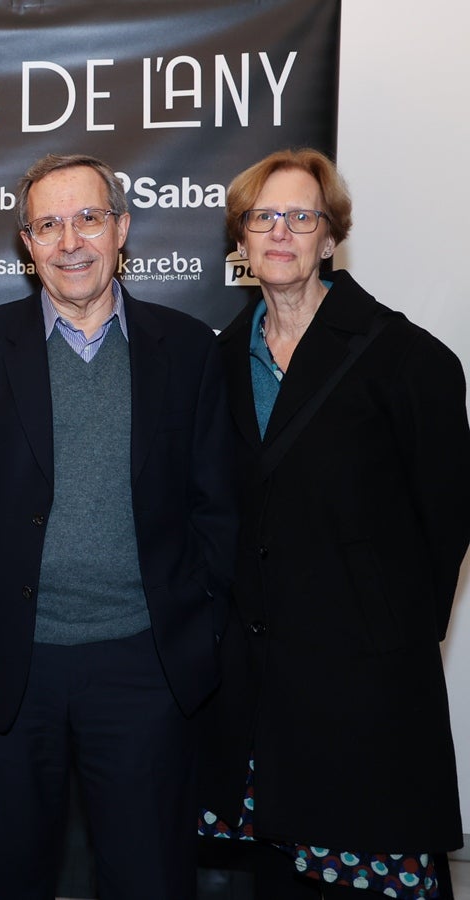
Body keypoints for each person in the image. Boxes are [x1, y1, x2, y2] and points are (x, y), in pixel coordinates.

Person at [0, 153, 238, 900]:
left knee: (148, 876)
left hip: (144, 666)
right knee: (14, 875)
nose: (70, 241)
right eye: (48, 225)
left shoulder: (187, 349)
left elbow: (215, 505)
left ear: (120, 228)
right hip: (8, 669)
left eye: (87, 218)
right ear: (27, 244)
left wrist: (198, 631)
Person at [196, 148, 470, 899]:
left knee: (359, 880)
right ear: (241, 242)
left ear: (329, 237)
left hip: (363, 688)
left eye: (301, 217)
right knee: (268, 882)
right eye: (263, 218)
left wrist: (391, 635)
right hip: (251, 695)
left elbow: (445, 520)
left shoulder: (408, 359)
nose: (280, 233)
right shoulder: (213, 363)